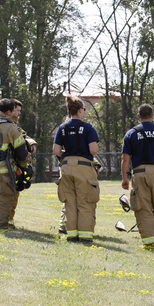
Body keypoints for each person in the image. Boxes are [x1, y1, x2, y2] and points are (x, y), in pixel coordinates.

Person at [121, 104, 154, 248]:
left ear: (138, 116)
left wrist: (124, 178)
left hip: (139, 174)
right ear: (152, 115)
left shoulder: (131, 133)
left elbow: (125, 159)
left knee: (143, 207)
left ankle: (150, 241)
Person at [52, 95, 100, 242]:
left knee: (70, 202)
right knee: (85, 201)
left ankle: (72, 235)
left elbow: (56, 150)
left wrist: (67, 155)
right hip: (84, 168)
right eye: (84, 110)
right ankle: (85, 236)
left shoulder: (62, 128)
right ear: (79, 110)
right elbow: (93, 150)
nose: (84, 113)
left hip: (66, 167)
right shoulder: (87, 127)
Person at [0, 98, 30, 229]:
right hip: (4, 170)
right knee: (3, 199)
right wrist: (23, 165)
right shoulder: (10, 127)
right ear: (9, 112)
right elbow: (21, 151)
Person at [8, 99, 38, 229]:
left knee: (15, 193)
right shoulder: (7, 125)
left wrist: (32, 143)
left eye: (20, 111)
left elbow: (23, 135)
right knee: (8, 195)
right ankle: (5, 220)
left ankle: (9, 220)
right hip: (9, 165)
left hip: (15, 166)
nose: (19, 113)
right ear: (10, 110)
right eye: (17, 111)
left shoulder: (15, 126)